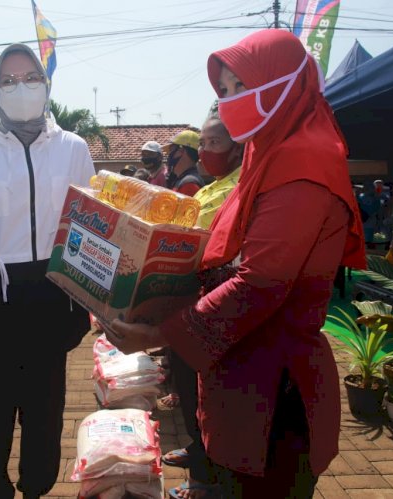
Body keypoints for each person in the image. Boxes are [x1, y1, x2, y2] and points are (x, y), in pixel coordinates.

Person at [103, 30, 366, 498]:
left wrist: (161, 333)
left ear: (285, 83)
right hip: (240, 382)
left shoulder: (304, 162)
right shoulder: (265, 156)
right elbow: (217, 260)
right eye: (222, 92)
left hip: (273, 395)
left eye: (239, 87)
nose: (228, 102)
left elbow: (258, 283)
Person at [0, 43, 93, 499]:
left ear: (46, 86)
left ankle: (36, 487)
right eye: (8, 80)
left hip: (52, 294)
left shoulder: (72, 147)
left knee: (45, 412)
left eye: (30, 77)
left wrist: (91, 300)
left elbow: (88, 224)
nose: (20, 87)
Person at [159, 115, 244, 497]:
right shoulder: (212, 186)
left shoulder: (239, 187)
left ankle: (207, 478)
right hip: (189, 296)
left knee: (204, 393)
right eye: (204, 143)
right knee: (188, 386)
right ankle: (199, 453)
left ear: (238, 146)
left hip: (211, 304)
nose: (206, 152)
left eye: (213, 143)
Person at [163, 130, 205, 196]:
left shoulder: (189, 184)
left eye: (171, 150)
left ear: (181, 151)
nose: (169, 155)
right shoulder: (182, 180)